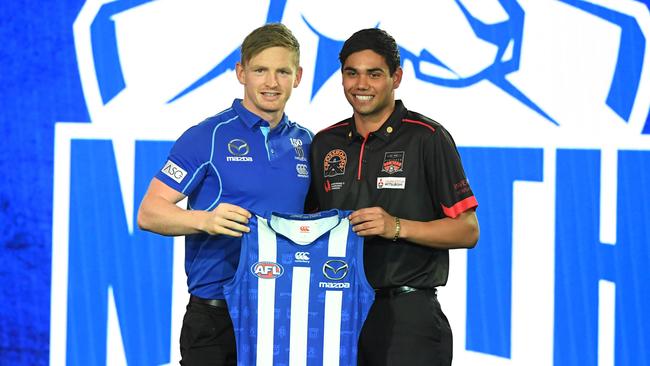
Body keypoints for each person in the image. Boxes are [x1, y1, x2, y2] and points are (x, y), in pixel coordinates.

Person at [137, 23, 312, 366]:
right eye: (260, 70)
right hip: (216, 317)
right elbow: (149, 212)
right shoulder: (206, 136)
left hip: (283, 315)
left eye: (282, 71)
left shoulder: (307, 142)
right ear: (241, 73)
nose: (271, 82)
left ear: (299, 76)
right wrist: (205, 220)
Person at [306, 28, 480, 365]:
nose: (361, 85)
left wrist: (396, 226)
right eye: (351, 73)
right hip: (335, 312)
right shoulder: (325, 143)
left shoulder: (427, 137)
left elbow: (468, 230)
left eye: (374, 74)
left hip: (407, 315)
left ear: (395, 77)